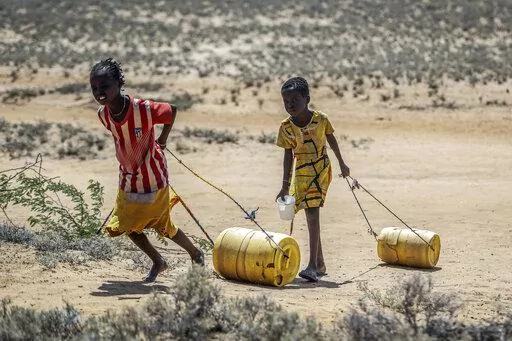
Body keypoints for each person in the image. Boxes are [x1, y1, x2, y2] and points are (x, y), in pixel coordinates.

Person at [90, 58, 204, 282]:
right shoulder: (103, 115)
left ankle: (195, 253)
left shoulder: (142, 109)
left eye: (105, 87)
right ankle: (158, 261)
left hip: (153, 174)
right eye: (95, 88)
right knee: (127, 225)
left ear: (118, 84)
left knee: (161, 224)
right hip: (128, 177)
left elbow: (171, 111)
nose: (99, 92)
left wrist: (162, 138)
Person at [275, 77, 350, 282]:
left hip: (319, 169)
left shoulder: (321, 119)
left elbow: (331, 139)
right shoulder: (286, 127)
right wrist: (284, 186)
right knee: (298, 211)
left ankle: (313, 266)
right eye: (286, 101)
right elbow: (288, 155)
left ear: (307, 99)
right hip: (300, 172)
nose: (290, 105)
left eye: (295, 100)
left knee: (312, 212)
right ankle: (320, 262)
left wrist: (343, 164)